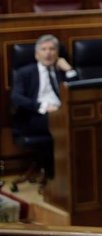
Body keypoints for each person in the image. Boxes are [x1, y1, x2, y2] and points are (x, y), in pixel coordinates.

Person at [11, 35, 79, 178]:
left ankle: (74, 173)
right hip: (35, 116)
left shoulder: (61, 72)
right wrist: (42, 106)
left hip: (62, 113)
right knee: (58, 123)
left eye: (52, 49)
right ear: (37, 55)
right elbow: (16, 97)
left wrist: (69, 70)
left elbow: (78, 91)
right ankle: (54, 176)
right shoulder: (25, 73)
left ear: (57, 53)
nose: (48, 53)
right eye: (44, 49)